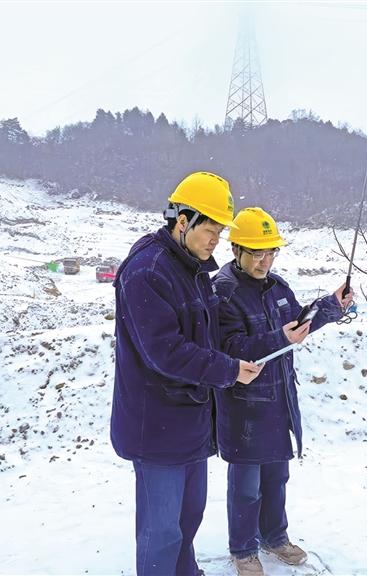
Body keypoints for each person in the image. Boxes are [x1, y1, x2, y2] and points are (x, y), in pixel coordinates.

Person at [110, 172, 263, 576]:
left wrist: (252, 346)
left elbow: (207, 335)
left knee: (188, 517)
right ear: (183, 221)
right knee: (161, 531)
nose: (216, 240)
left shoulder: (191, 269)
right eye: (210, 230)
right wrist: (228, 370)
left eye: (220, 231)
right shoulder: (148, 271)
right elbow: (166, 352)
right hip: (156, 425)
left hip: (191, 421)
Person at [211, 207, 354, 576]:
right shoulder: (224, 292)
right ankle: (244, 549)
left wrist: (331, 306)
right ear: (236, 249)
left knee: (276, 478)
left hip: (279, 402)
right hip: (243, 409)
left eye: (271, 252)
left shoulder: (277, 287)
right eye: (257, 253)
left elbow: (297, 324)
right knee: (246, 487)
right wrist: (278, 338)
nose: (265, 261)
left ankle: (274, 536)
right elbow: (229, 347)